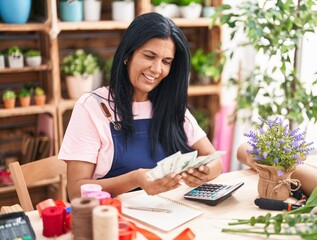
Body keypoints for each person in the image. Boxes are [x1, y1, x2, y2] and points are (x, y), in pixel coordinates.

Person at [58, 12, 223, 200]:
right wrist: (136, 179)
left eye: (166, 62)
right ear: (128, 55)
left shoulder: (171, 106)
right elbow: (76, 190)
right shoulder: (92, 107)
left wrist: (204, 171)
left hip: (170, 213)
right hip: (114, 218)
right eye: (149, 56)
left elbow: (215, 159)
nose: (156, 69)